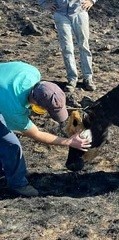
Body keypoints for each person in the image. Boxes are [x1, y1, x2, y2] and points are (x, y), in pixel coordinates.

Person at [0, 61, 92, 197]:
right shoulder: (14, 110)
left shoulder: (32, 72)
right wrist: (69, 142)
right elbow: (36, 134)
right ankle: (18, 184)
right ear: (36, 103)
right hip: (5, 101)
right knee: (12, 144)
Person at [38, 0, 97, 92]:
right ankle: (72, 79)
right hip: (61, 14)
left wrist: (91, 1)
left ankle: (88, 78)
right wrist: (44, 3)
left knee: (84, 46)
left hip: (80, 11)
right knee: (67, 48)